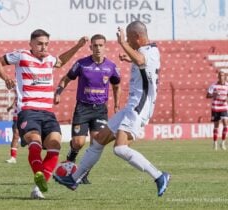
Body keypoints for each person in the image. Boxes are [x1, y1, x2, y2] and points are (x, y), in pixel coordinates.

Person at [53, 21, 170, 197]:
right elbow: (141, 62)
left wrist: (122, 44)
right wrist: (128, 57)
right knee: (98, 140)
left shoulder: (148, 51)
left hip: (140, 106)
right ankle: (74, 179)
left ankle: (159, 176)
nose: (128, 42)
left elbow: (141, 61)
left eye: (130, 39)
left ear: (137, 37)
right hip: (132, 105)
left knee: (120, 148)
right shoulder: (147, 51)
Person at [0, 29, 88, 199]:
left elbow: (61, 62)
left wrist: (78, 46)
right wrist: (6, 77)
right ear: (31, 44)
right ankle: (40, 175)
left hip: (47, 112)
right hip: (28, 110)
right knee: (34, 142)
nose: (44, 47)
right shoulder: (21, 56)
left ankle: (38, 188)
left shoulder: (50, 60)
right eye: (40, 44)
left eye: (46, 44)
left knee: (55, 145)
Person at [54, 34, 121, 184]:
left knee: (97, 142)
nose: (98, 48)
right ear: (90, 47)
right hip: (83, 108)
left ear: (105, 47)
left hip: (100, 110)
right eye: (95, 45)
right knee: (78, 142)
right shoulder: (82, 64)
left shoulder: (111, 67)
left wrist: (116, 104)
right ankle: (71, 158)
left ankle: (83, 173)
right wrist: (58, 92)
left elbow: (116, 86)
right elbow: (66, 78)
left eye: (100, 45)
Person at [206, 70, 228, 150]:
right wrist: (213, 95)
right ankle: (215, 143)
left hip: (224, 107)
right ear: (218, 77)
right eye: (220, 75)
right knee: (216, 126)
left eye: (223, 75)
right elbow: (207, 96)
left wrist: (226, 99)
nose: (221, 77)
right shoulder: (213, 86)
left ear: (225, 77)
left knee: (226, 123)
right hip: (215, 107)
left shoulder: (227, 86)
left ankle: (223, 143)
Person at [5, 96, 20, 164]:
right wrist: (10, 107)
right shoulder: (18, 92)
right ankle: (13, 158)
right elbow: (15, 102)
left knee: (30, 136)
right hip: (17, 117)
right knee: (15, 135)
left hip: (26, 116)